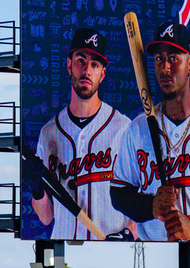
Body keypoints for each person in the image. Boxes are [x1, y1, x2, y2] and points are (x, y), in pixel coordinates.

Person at [24, 28, 133, 240]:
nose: (86, 70)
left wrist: (129, 235)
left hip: (110, 250)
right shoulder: (49, 133)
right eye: (80, 61)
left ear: (102, 74)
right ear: (69, 65)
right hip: (64, 247)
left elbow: (145, 198)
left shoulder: (124, 128)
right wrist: (37, 190)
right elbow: (46, 218)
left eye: (94, 64)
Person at [110, 22, 190, 241]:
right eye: (159, 59)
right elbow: (118, 194)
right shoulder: (137, 129)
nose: (165, 68)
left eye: (174, 58)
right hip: (151, 250)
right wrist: (151, 206)